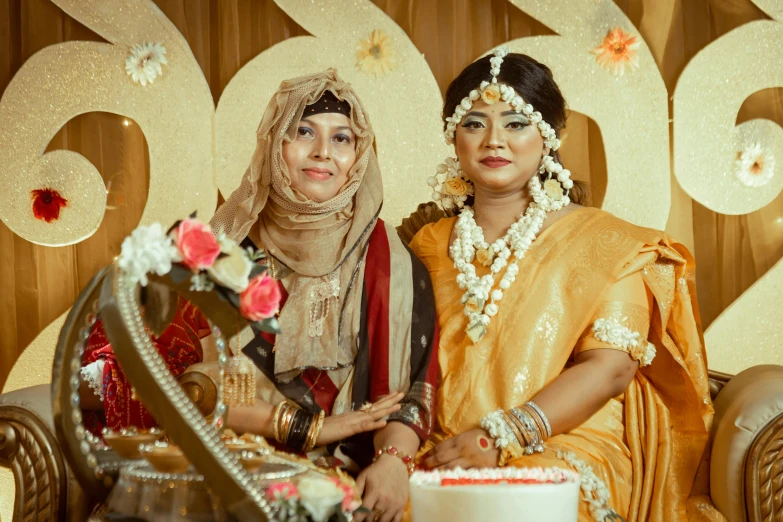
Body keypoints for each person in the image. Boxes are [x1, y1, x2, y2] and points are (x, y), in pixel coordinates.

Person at [409, 48, 724, 521]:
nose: (494, 140)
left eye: (516, 122)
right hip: (443, 440)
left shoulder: (607, 242)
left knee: (512, 507)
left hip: (565, 439)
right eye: (475, 123)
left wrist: (504, 436)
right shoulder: (428, 245)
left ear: (550, 135)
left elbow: (610, 368)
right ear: (453, 137)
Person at [211, 70, 439, 522]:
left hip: (358, 469)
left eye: (342, 139)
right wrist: (305, 429)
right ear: (274, 145)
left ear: (359, 156)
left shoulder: (389, 259)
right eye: (303, 132)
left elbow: (416, 382)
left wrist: (394, 459)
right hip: (242, 461)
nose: (322, 153)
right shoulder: (228, 252)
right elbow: (204, 382)